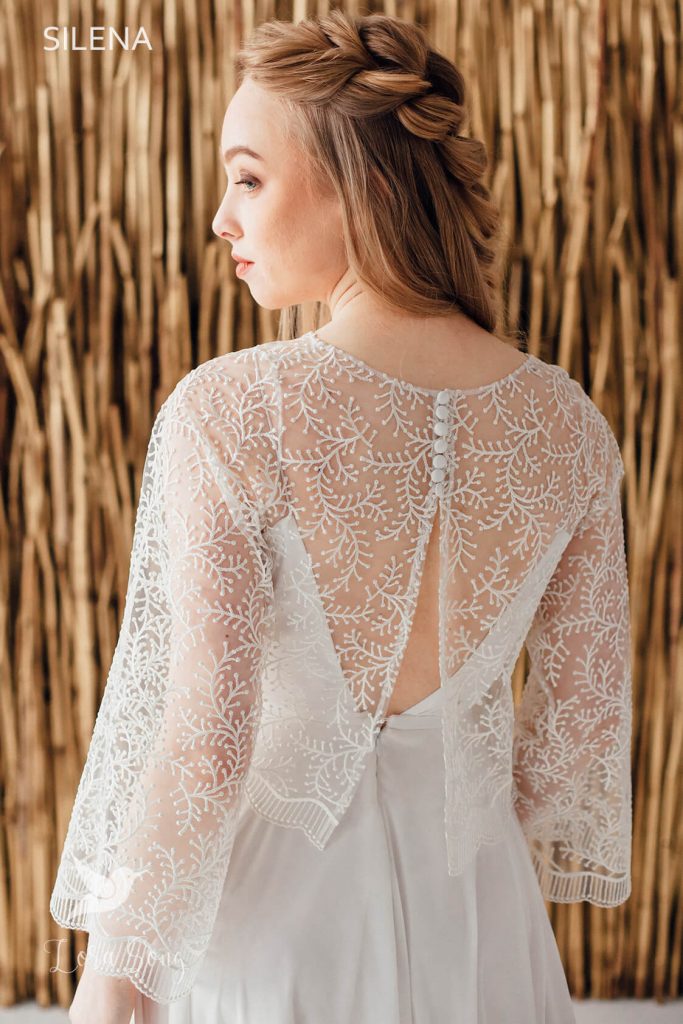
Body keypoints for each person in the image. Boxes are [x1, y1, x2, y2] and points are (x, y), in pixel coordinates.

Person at [52, 11, 632, 1024]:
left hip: (273, 935)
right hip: (482, 926)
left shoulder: (233, 410)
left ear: (357, 186)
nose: (220, 220)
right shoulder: (568, 426)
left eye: (247, 178)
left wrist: (112, 980)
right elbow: (575, 727)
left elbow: (203, 736)